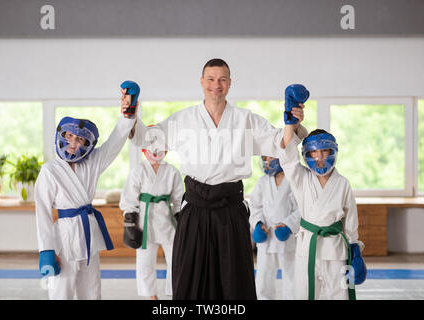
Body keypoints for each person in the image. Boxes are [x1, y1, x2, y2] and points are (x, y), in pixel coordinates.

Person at [128, 58, 307, 299]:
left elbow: (281, 144)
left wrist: (291, 123)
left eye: (222, 79)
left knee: (234, 283)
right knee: (189, 280)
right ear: (202, 82)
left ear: (230, 83)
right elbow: (145, 138)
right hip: (195, 209)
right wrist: (130, 113)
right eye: (211, 79)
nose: (216, 84)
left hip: (230, 210)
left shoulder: (246, 120)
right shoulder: (183, 120)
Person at [35, 89, 137, 300]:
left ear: (87, 145)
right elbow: (42, 212)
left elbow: (116, 141)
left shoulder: (92, 163)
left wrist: (128, 115)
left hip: (88, 234)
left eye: (80, 140)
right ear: (61, 136)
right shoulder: (50, 170)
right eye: (70, 136)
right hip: (64, 238)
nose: (73, 143)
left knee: (91, 291)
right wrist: (47, 251)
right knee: (62, 291)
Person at [280, 117, 367, 299]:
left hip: (335, 250)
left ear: (333, 152)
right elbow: (287, 157)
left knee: (339, 295)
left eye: (325, 151)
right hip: (307, 248)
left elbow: (350, 221)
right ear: (307, 155)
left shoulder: (342, 183)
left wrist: (356, 252)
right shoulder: (300, 178)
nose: (319, 158)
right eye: (314, 153)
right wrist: (290, 125)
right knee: (303, 295)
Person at [120, 132, 184, 300]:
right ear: (144, 148)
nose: (155, 150)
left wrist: (180, 217)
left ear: (166, 149)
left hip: (167, 221)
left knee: (176, 259)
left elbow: (178, 199)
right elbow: (129, 198)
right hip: (144, 221)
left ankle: (175, 292)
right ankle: (151, 296)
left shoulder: (172, 172)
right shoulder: (138, 171)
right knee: (145, 262)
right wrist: (130, 223)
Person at [250, 156, 300, 300]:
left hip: (287, 237)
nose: (267, 161)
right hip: (267, 237)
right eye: (264, 158)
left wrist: (289, 225)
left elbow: (302, 208)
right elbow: (255, 206)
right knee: (263, 279)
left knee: (291, 277)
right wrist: (258, 224)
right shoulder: (262, 182)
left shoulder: (293, 181)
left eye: (270, 157)